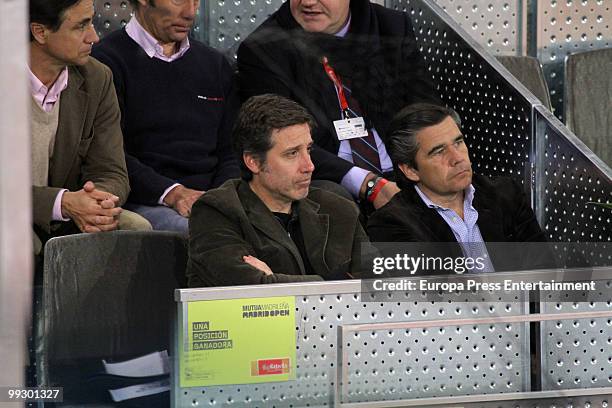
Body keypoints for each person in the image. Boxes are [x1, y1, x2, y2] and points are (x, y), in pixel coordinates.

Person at [237, 0, 440, 210]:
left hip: (404, 172)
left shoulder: (391, 27)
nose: (307, 2)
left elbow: (428, 113)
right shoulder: (263, 50)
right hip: (333, 185)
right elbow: (280, 144)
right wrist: (368, 184)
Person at [187, 94, 372, 287]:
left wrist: (274, 280)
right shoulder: (217, 211)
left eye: (308, 150)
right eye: (292, 153)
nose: (309, 166)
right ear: (253, 162)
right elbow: (248, 288)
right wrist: (342, 281)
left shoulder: (338, 208)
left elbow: (381, 287)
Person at [92, 0, 239, 232]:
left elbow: (232, 149)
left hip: (212, 198)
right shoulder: (105, 64)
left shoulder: (214, 65)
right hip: (146, 199)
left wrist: (221, 197)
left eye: (196, 1)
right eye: (179, 0)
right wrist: (173, 193)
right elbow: (107, 156)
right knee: (205, 233)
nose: (190, 13)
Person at [29, 0, 151, 255]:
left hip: (66, 217)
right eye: (81, 26)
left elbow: (112, 170)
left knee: (134, 228)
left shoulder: (97, 78)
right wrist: (61, 202)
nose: (94, 37)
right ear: (40, 32)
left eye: (92, 22)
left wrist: (97, 202)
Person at [367, 103, 549, 272]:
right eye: (439, 151)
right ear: (411, 170)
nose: (457, 158)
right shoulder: (390, 224)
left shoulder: (506, 194)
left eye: (458, 143)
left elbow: (544, 272)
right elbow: (432, 297)